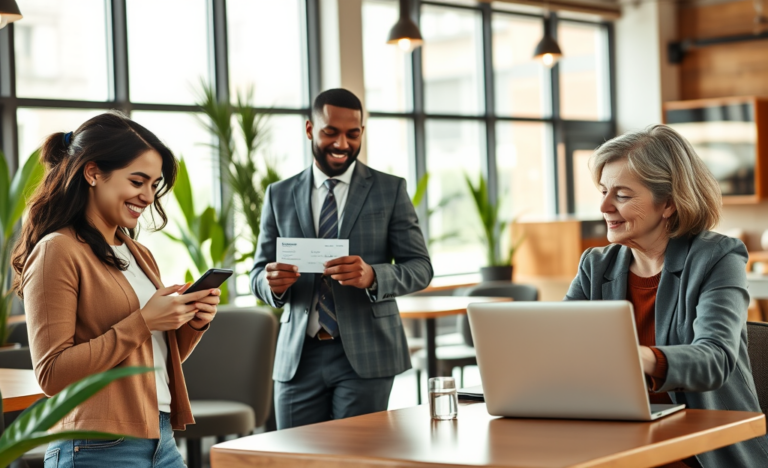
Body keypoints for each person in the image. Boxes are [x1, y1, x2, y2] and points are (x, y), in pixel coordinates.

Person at [12, 112, 221, 467]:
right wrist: (144, 321)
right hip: (96, 447)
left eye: (154, 185)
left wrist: (192, 322)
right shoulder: (57, 250)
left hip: (160, 439)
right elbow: (52, 374)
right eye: (138, 181)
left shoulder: (138, 253)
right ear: (93, 173)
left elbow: (147, 357)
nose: (148, 196)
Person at [565, 124, 768, 468]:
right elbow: (563, 347)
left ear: (669, 204)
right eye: (603, 191)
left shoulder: (717, 257)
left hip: (701, 452)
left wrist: (635, 356)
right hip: (617, 442)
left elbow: (715, 358)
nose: (604, 206)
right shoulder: (595, 266)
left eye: (622, 195)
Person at [250, 88, 433, 429]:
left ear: (362, 132)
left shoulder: (389, 190)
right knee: (294, 454)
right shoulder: (279, 194)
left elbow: (421, 268)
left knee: (356, 453)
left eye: (353, 134)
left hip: (367, 353)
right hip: (298, 357)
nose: (342, 144)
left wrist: (373, 276)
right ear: (310, 129)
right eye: (331, 132)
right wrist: (270, 283)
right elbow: (257, 272)